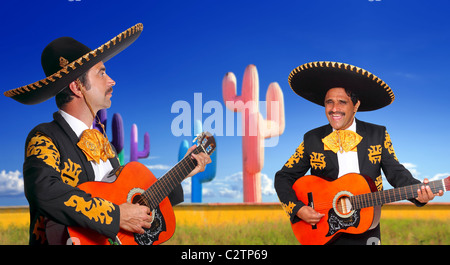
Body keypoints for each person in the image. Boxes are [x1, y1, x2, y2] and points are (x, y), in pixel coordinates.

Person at [4, 23, 211, 245]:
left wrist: (184, 171)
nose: (112, 81)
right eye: (101, 73)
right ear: (77, 87)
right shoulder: (44, 137)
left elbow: (133, 205)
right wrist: (116, 216)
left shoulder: (106, 146)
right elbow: (44, 190)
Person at [274, 61, 443, 245]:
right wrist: (298, 209)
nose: (334, 109)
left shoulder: (378, 134)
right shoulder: (312, 139)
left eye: (342, 102)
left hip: (366, 227)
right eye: (329, 102)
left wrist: (419, 192)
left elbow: (396, 172)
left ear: (356, 106)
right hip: (322, 230)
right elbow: (283, 177)